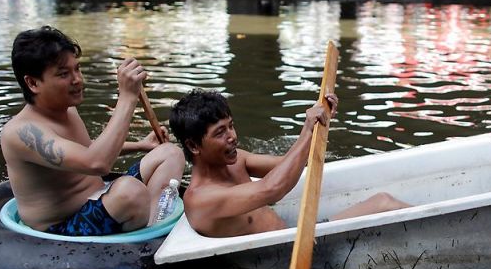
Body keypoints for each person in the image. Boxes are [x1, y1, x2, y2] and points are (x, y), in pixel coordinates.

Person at [0, 26, 185, 235]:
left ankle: (151, 224)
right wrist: (127, 97)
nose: (77, 79)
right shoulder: (22, 133)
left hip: (100, 196)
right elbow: (97, 163)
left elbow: (86, 150)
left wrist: (142, 145)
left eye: (77, 69)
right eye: (63, 74)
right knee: (130, 192)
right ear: (33, 82)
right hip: (64, 224)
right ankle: (147, 222)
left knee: (170, 153)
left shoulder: (67, 109)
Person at [169, 89, 409, 237]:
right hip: (287, 257)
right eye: (220, 132)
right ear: (193, 146)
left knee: (384, 200)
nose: (232, 136)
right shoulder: (200, 199)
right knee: (385, 204)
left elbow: (290, 165)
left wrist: (320, 125)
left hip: (297, 237)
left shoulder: (236, 159)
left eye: (231, 125)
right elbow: (272, 189)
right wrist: (306, 131)